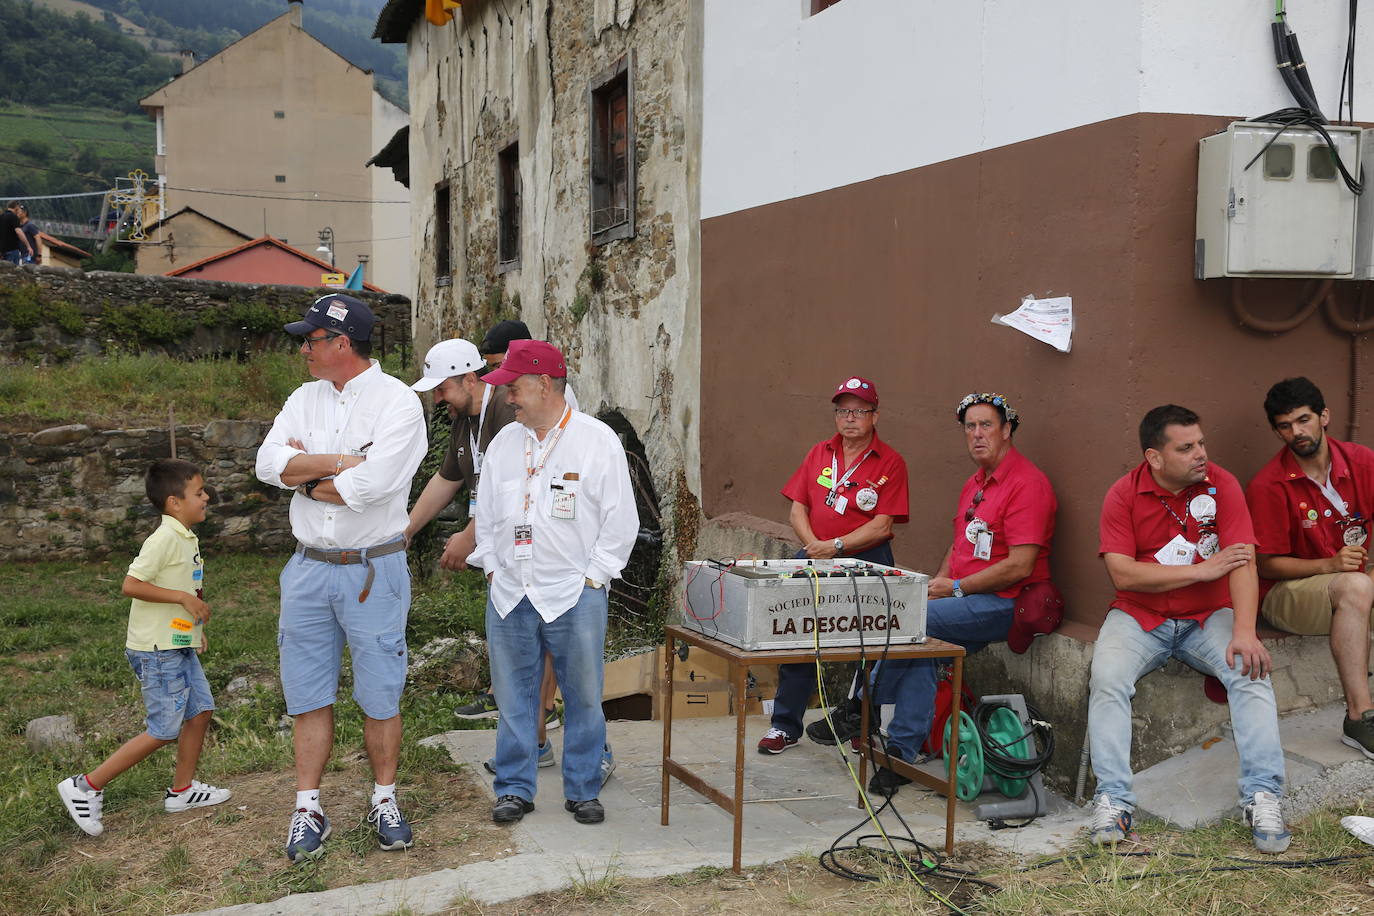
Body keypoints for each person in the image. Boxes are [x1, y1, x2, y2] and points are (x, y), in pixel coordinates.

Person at [255, 293, 428, 862]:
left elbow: (372, 489)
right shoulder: (304, 397)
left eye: (311, 340)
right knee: (307, 691)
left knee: (380, 692)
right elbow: (266, 465)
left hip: (372, 568)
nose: (303, 349)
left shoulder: (398, 405)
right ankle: (309, 808)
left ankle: (384, 799)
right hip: (307, 568)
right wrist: (337, 463)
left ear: (343, 344)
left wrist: (303, 472)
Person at [1091, 405, 1290, 853]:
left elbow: (1242, 560)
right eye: (1186, 448)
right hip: (1140, 616)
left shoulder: (1223, 484)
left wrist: (1244, 629)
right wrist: (1200, 572)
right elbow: (1123, 575)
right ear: (1154, 458)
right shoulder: (1123, 494)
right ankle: (1114, 801)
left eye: (1200, 442)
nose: (1201, 454)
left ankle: (1263, 795)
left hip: (1208, 617)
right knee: (1106, 679)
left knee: (1250, 670)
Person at [469, 340, 638, 827]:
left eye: (515, 388)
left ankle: (583, 787)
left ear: (544, 384)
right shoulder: (504, 443)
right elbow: (487, 515)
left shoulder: (596, 439)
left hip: (573, 592)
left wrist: (594, 577)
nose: (508, 398)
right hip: (510, 592)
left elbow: (620, 519)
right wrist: (493, 567)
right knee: (513, 697)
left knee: (583, 696)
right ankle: (515, 789)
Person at [861, 392, 1058, 795]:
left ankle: (863, 704)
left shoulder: (1027, 484)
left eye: (986, 425)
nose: (977, 435)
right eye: (970, 427)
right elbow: (961, 544)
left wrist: (954, 589)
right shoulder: (975, 483)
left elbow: (1020, 566)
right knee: (924, 641)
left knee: (914, 622)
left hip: (1007, 603)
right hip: (965, 598)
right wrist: (938, 586)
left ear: (1007, 431)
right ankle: (900, 753)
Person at [57, 459, 231, 836]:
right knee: (164, 729)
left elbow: (184, 591)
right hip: (156, 651)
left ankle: (181, 791)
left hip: (176, 643)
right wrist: (184, 599)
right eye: (199, 492)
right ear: (174, 502)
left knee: (200, 711)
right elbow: (131, 585)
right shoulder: (164, 538)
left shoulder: (184, 536)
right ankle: (85, 786)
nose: (206, 497)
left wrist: (193, 629)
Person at [756, 376, 910, 756]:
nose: (850, 418)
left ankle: (860, 723)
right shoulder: (819, 452)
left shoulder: (890, 461)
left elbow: (882, 524)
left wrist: (836, 546)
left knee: (869, 643)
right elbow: (798, 507)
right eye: (843, 410)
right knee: (796, 635)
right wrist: (813, 546)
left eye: (859, 411)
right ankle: (785, 725)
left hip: (866, 558)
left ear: (875, 415)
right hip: (814, 552)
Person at [1246, 377, 1374, 759]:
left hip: (1353, 580)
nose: (1296, 432)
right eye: (1285, 426)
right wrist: (1330, 564)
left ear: (1324, 416)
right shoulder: (1269, 484)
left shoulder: (1362, 462)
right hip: (1288, 594)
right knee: (1355, 587)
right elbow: (1267, 565)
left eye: (1303, 420)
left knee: (1358, 585)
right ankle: (1360, 718)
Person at [1, 201, 33, 265]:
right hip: (12, 250)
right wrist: (28, 246)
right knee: (13, 271)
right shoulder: (13, 217)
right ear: (16, 207)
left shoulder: (1, 216)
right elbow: (18, 232)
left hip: (2, 251)